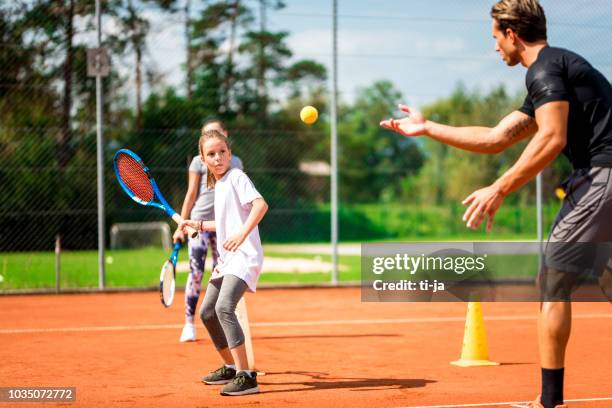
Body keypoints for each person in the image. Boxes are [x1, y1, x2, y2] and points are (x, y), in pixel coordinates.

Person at [380, 1, 612, 407]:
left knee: (554, 282)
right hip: (602, 178)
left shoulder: (544, 69)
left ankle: (549, 400)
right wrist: (428, 127)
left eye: (494, 38)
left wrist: (499, 188)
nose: (495, 49)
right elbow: (496, 138)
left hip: (601, 178)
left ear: (512, 34)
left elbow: (552, 137)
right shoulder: (556, 69)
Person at [179, 129, 268, 396]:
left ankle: (247, 376)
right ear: (202, 160)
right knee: (207, 311)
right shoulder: (218, 185)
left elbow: (261, 205)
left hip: (245, 256)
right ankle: (230, 365)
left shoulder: (237, 177)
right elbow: (227, 223)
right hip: (229, 259)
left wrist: (242, 235)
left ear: (229, 153)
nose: (217, 158)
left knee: (224, 307)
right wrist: (199, 224)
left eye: (222, 152)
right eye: (211, 154)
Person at [174, 119, 244, 343]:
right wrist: (181, 224)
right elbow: (191, 193)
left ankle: (225, 322)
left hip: (225, 226)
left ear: (225, 135)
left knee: (223, 274)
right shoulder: (197, 162)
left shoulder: (235, 163)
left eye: (217, 132)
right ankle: (188, 324)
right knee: (196, 273)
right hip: (198, 224)